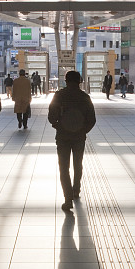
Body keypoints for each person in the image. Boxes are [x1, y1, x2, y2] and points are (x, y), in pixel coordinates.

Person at [48, 71, 96, 211]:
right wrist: (82, 130)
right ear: (80, 81)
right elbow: (92, 120)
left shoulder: (59, 95)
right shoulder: (85, 97)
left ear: (66, 80)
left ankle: (67, 199)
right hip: (79, 137)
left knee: (64, 167)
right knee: (77, 164)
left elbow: (51, 116)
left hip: (63, 136)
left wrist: (59, 126)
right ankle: (76, 190)